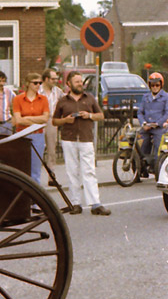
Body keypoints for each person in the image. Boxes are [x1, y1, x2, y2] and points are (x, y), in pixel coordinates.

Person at [52, 71, 110, 216]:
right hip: (69, 139)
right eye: (77, 82)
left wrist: (89, 115)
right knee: (72, 171)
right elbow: (54, 121)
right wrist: (65, 120)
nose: (80, 84)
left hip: (85, 138)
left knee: (89, 170)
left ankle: (95, 203)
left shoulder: (89, 98)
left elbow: (101, 115)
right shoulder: (63, 101)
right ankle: (75, 203)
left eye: (81, 81)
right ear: (69, 84)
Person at [12, 73, 50, 184]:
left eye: (40, 83)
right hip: (22, 134)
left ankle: (34, 199)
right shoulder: (18, 99)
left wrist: (27, 118)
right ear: (28, 84)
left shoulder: (43, 99)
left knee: (35, 169)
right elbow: (18, 120)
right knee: (22, 167)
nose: (38, 85)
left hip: (38, 134)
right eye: (35, 83)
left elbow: (45, 118)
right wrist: (36, 120)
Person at [136, 72, 167, 173]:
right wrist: (143, 123)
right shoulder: (145, 97)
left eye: (157, 85)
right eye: (152, 85)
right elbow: (140, 112)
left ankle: (157, 168)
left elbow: (167, 113)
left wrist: (157, 123)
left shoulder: (166, 97)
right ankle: (141, 167)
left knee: (159, 146)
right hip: (146, 127)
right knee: (141, 144)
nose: (155, 87)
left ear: (161, 85)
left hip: (158, 127)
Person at [38, 68, 65, 185]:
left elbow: (65, 102)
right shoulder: (38, 91)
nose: (55, 81)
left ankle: (51, 176)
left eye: (56, 79)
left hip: (51, 121)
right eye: (53, 79)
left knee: (51, 150)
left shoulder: (58, 91)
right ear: (46, 79)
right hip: (38, 120)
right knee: (37, 149)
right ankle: (35, 178)